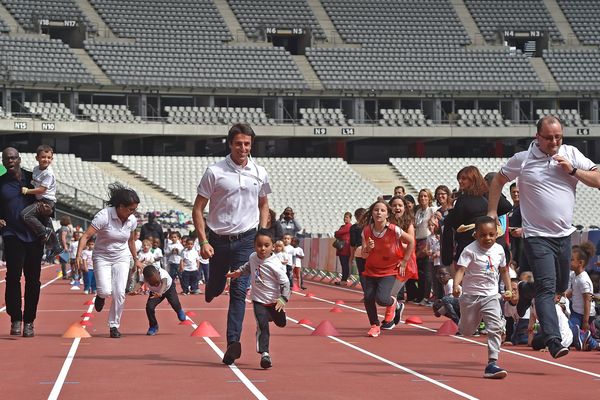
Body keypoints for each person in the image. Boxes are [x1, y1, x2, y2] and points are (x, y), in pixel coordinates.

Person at [487, 115, 600, 359]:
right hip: (536, 236)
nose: (554, 142)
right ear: (537, 136)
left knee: (559, 288)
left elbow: (598, 180)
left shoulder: (571, 153)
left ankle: (526, 290)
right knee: (548, 290)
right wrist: (492, 211)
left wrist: (573, 170)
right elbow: (497, 180)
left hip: (564, 235)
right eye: (548, 137)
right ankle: (553, 339)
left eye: (558, 136)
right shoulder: (523, 159)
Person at [193, 123, 271, 365]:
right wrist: (203, 240)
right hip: (217, 241)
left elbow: (264, 205)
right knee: (217, 287)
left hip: (246, 240)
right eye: (238, 143)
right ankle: (212, 287)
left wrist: (262, 233)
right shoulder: (214, 171)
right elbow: (197, 209)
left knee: (238, 293)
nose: (243, 148)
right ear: (230, 144)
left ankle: (232, 343)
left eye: (247, 144)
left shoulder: (260, 172)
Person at [76, 183, 143, 338]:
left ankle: (114, 325)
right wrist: (78, 255)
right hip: (102, 256)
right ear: (120, 206)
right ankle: (100, 296)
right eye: (130, 209)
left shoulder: (132, 220)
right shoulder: (104, 216)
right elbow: (86, 236)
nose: (133, 213)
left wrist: (136, 259)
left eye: (135, 209)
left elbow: (131, 241)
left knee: (120, 292)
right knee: (106, 291)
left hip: (122, 257)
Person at [453, 216, 512, 379]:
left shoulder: (499, 250)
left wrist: (508, 289)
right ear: (476, 235)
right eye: (483, 235)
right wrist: (456, 286)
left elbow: (504, 271)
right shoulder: (469, 250)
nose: (488, 238)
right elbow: (460, 271)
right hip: (470, 296)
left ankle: (492, 363)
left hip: (491, 296)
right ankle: (461, 319)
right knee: (467, 330)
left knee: (495, 328)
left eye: (491, 235)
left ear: (496, 234)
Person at [227, 229, 290, 369]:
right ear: (254, 246)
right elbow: (249, 266)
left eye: (266, 245)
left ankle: (273, 316)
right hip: (258, 300)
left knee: (281, 323)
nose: (262, 249)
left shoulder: (276, 264)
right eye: (259, 245)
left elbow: (285, 283)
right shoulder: (252, 257)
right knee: (262, 326)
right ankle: (265, 354)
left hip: (274, 301)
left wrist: (283, 298)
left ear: (273, 246)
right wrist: (239, 272)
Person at [0, 147, 45, 337]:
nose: (10, 161)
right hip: (12, 234)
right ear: (2, 162)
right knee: (13, 278)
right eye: (6, 159)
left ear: (19, 159)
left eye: (13, 158)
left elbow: (50, 199)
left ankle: (29, 321)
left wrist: (48, 210)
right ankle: (16, 319)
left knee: (33, 280)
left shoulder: (32, 178)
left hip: (34, 236)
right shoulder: (0, 183)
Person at [361, 200, 415, 337]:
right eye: (376, 210)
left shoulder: (394, 229)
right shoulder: (367, 231)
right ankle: (374, 325)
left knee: (382, 299)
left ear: (387, 214)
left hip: (388, 270)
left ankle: (394, 303)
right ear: (372, 213)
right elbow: (364, 254)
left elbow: (411, 241)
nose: (379, 212)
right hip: (371, 269)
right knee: (368, 298)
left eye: (382, 210)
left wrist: (404, 261)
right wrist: (368, 248)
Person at [19, 144, 62, 258]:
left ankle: (44, 232)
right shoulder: (36, 169)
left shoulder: (48, 173)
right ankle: (56, 247)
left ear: (52, 159)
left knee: (25, 215)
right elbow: (35, 181)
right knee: (49, 224)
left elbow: (42, 189)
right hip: (41, 200)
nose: (46, 160)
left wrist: (28, 191)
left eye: (49, 158)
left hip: (46, 202)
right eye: (43, 157)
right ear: (37, 158)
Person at [409, 189, 436, 305]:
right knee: (419, 271)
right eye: (421, 196)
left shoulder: (432, 210)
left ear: (429, 198)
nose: (423, 198)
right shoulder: (418, 211)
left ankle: (426, 296)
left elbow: (434, 225)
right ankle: (420, 296)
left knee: (427, 271)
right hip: (418, 240)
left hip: (427, 240)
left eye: (425, 196)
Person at [143, 264, 187, 336]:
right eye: (153, 283)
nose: (155, 284)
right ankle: (153, 326)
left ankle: (179, 310)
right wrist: (134, 290)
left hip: (169, 289)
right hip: (155, 292)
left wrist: (160, 293)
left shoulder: (163, 273)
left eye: (157, 281)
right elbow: (139, 283)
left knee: (174, 303)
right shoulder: (144, 277)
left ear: (158, 274)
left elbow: (164, 283)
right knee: (149, 307)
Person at [566, 242, 596, 334]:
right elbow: (573, 292)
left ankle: (591, 340)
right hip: (576, 312)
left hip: (584, 315)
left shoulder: (583, 280)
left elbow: (587, 301)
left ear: (580, 263)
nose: (569, 262)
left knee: (570, 332)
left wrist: (585, 322)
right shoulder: (575, 275)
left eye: (572, 260)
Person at [349, 208, 367, 293]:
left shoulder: (354, 227)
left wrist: (351, 256)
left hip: (359, 250)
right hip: (371, 250)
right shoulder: (371, 225)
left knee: (362, 273)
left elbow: (352, 243)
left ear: (356, 217)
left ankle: (367, 293)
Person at [334, 212, 352, 286]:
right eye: (345, 217)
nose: (345, 218)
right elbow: (337, 234)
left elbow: (338, 233)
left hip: (346, 248)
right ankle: (343, 279)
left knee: (345, 264)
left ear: (350, 219)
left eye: (347, 217)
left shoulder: (349, 226)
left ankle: (344, 280)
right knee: (343, 264)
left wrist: (337, 232)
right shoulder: (343, 226)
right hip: (341, 248)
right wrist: (337, 233)